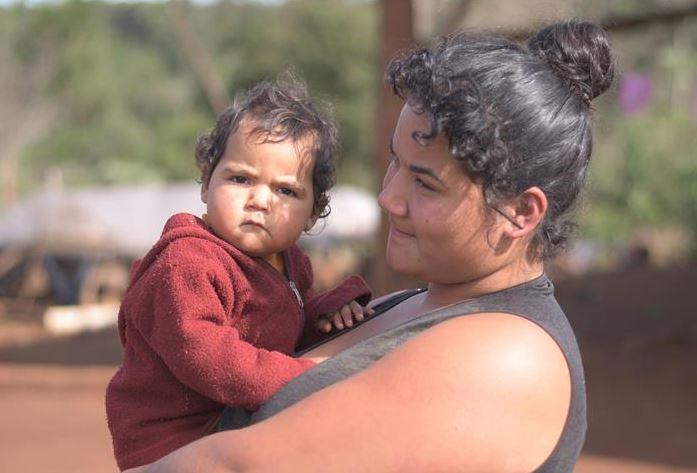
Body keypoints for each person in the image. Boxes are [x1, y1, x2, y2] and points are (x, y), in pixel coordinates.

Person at [129, 20, 615, 473]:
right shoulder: (411, 306)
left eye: (424, 183)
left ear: (522, 212)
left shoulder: (509, 358)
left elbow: (237, 465)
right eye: (394, 162)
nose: (388, 197)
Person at [105, 75, 374, 471]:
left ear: (313, 213)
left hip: (230, 415)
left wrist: (325, 315)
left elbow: (283, 322)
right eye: (240, 179)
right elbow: (208, 357)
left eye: (286, 191)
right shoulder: (187, 263)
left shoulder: (289, 260)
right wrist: (302, 375)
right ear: (206, 182)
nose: (259, 200)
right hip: (177, 438)